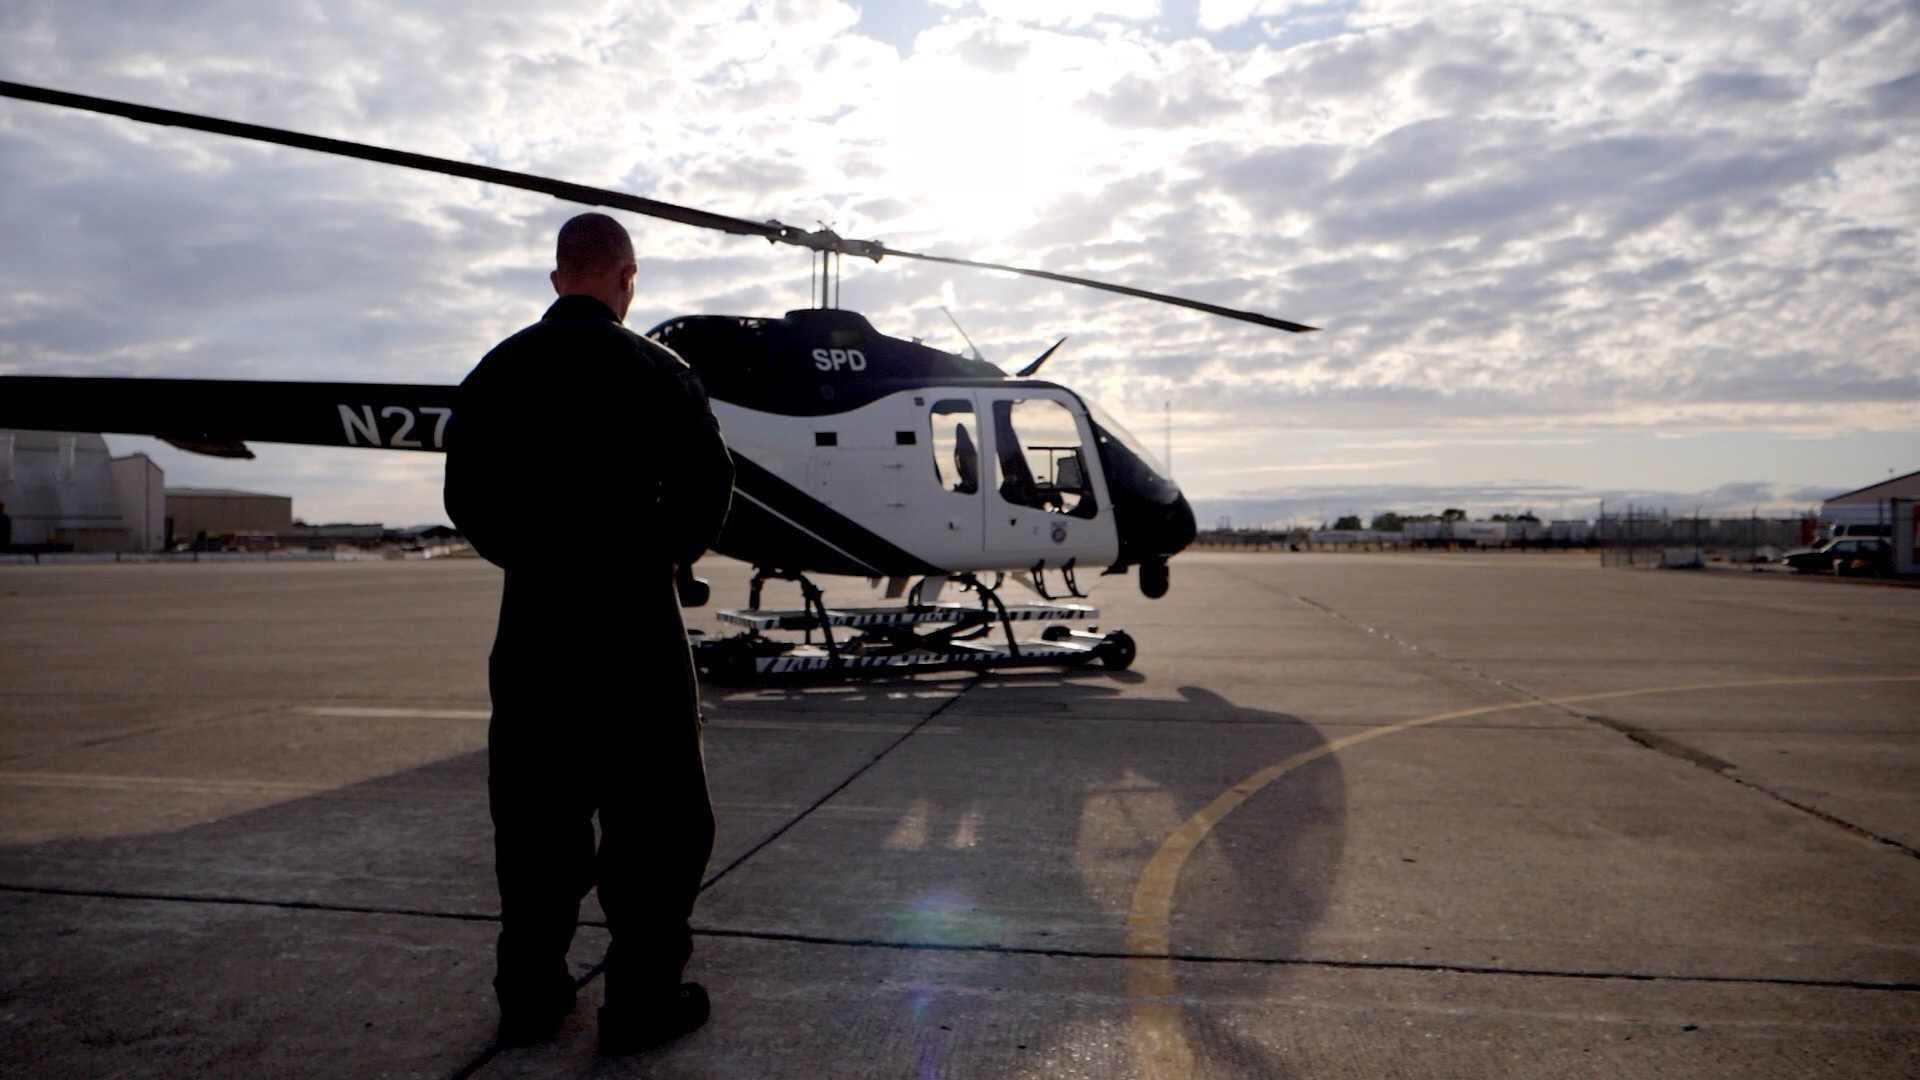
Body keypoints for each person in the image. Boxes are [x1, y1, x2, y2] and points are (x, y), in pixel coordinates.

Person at [444, 212, 734, 1054]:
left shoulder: (497, 371)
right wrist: (653, 555)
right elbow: (709, 486)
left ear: (557, 276)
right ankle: (640, 998)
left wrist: (534, 558)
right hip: (635, 622)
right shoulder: (659, 371)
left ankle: (531, 995)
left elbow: (467, 495)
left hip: (536, 621)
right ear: (626, 277)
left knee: (535, 810)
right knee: (656, 815)